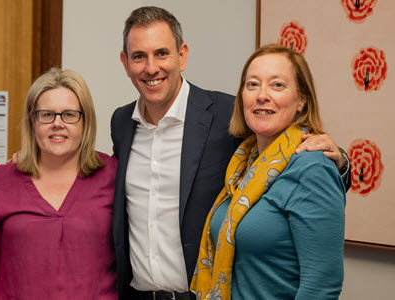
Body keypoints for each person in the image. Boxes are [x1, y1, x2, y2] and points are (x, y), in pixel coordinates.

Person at [111, 6, 350, 299]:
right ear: (125, 63)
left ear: (182, 55)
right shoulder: (121, 123)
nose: (151, 67)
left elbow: (302, 166)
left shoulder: (227, 116)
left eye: (162, 53)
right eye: (139, 56)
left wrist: (339, 159)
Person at [190, 44, 346, 299]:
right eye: (252, 84)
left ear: (302, 100)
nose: (262, 95)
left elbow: (321, 286)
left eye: (277, 85)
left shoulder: (312, 168)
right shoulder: (242, 164)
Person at [0, 68, 117, 300]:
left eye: (69, 115)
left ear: (85, 120)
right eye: (46, 115)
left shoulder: (114, 176)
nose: (57, 124)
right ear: (33, 121)